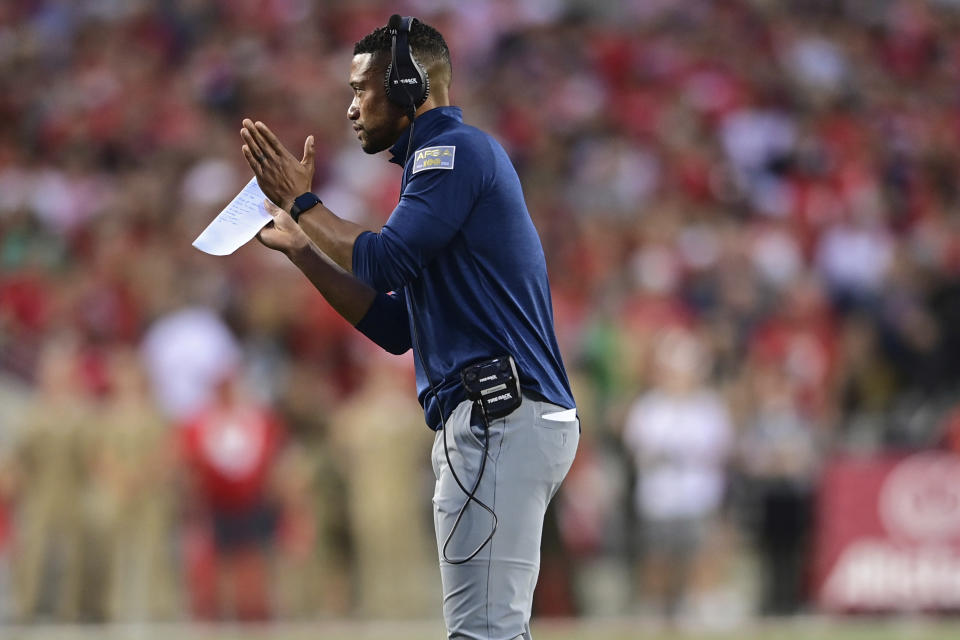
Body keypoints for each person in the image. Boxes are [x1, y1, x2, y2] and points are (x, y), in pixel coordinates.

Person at [238, 15, 579, 639]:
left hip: (498, 415)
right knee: (493, 631)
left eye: (361, 88)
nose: (350, 108)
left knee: (482, 634)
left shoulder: (452, 153)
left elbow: (385, 259)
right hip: (498, 415)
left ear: (406, 83)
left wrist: (302, 203)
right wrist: (302, 250)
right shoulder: (440, 162)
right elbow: (398, 326)